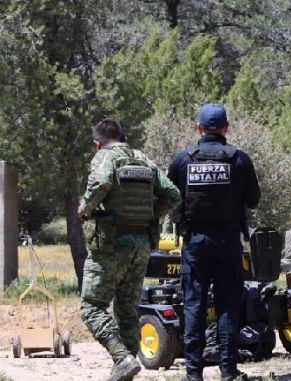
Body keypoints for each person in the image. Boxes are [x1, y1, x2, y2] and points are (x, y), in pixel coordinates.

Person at [78, 119, 181, 381]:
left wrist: (85, 208)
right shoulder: (143, 159)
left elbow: (100, 183)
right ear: (123, 136)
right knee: (127, 309)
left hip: (111, 244)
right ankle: (127, 368)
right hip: (141, 244)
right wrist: (150, 215)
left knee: (91, 307)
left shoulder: (104, 156)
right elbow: (172, 194)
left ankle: (121, 357)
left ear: (97, 143)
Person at [167, 103, 261, 381]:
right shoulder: (239, 159)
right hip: (227, 242)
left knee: (194, 305)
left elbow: (169, 197)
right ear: (226, 128)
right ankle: (228, 372)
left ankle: (193, 374)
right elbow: (254, 199)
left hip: (195, 242)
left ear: (199, 128)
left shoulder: (183, 159)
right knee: (227, 306)